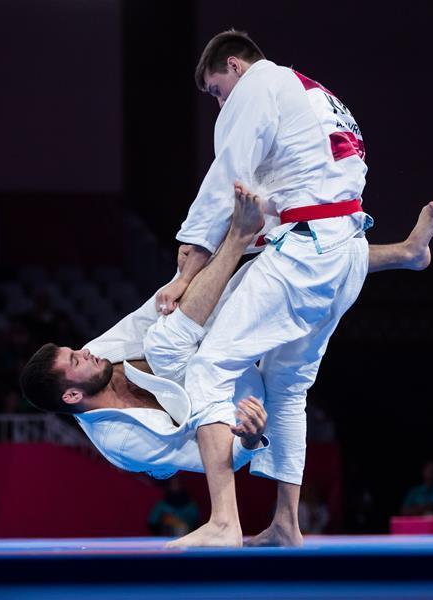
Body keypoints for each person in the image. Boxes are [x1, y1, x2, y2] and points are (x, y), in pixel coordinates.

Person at [20, 186, 433, 501]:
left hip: (211, 350)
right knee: (166, 349)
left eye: (76, 348)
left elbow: (148, 316)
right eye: (76, 359)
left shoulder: (102, 356)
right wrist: (252, 439)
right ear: (72, 393)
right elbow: (215, 457)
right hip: (234, 401)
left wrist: (184, 278)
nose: (87, 350)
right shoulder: (124, 444)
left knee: (271, 272)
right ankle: (240, 236)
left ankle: (406, 253)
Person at [156, 30, 381, 547]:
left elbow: (226, 181)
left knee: (209, 365)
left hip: (307, 251)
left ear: (235, 66)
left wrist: (187, 269)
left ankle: (222, 521)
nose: (220, 103)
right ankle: (286, 523)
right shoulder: (318, 95)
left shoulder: (257, 85)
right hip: (346, 252)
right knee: (287, 385)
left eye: (216, 90)